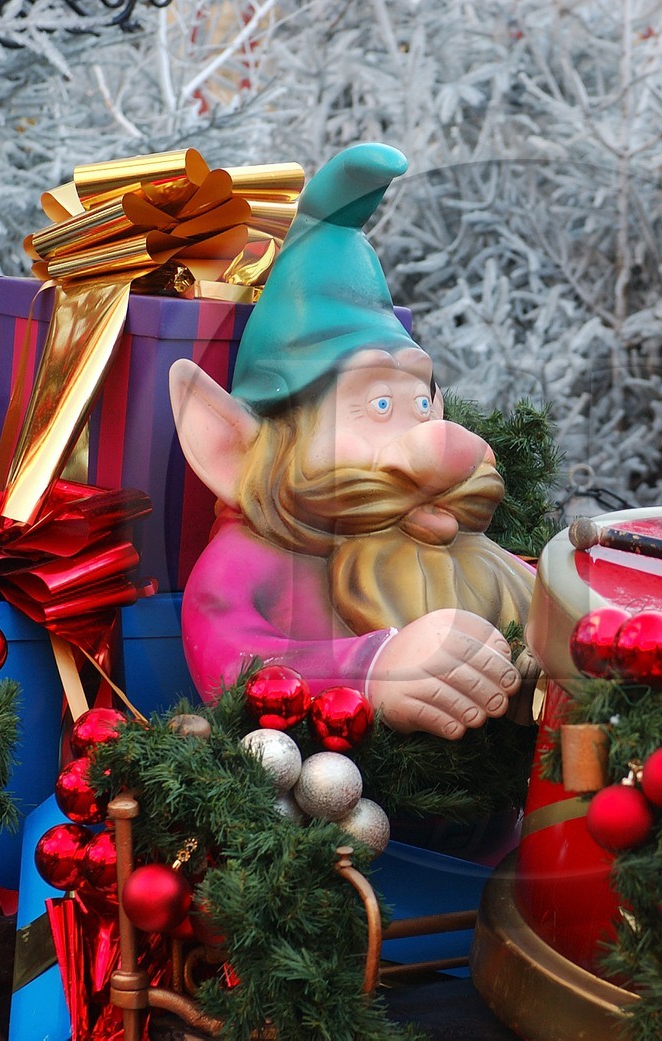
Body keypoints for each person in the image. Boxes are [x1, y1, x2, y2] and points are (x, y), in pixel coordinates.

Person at [170, 142, 536, 741]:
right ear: (233, 447)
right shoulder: (253, 561)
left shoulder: (440, 543)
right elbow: (233, 667)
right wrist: (372, 671)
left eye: (423, 405)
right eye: (379, 406)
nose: (429, 440)